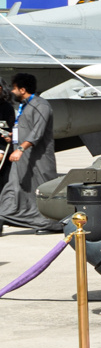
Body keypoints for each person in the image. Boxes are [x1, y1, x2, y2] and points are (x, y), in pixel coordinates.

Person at [0, 73, 62, 234]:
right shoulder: (25, 106)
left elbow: (38, 131)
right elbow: (25, 128)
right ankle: (4, 216)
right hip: (22, 159)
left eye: (14, 88)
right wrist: (13, 138)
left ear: (22, 89)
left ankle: (50, 224)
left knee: (42, 191)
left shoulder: (41, 105)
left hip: (38, 158)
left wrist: (20, 149)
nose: (12, 92)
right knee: (12, 189)